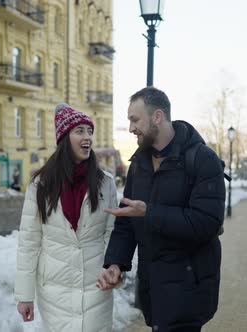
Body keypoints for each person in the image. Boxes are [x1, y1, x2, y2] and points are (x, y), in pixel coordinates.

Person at [97, 87, 225, 331]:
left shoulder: (203, 159)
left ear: (157, 117)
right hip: (153, 290)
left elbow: (207, 222)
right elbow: (126, 222)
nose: (131, 128)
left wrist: (150, 212)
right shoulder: (139, 163)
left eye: (135, 120)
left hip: (189, 290)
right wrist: (115, 263)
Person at [15, 103, 117, 332]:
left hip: (96, 289)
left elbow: (113, 232)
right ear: (64, 138)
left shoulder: (105, 183)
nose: (87, 136)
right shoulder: (39, 185)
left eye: (89, 131)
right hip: (54, 292)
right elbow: (29, 242)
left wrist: (112, 268)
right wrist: (25, 295)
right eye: (79, 130)